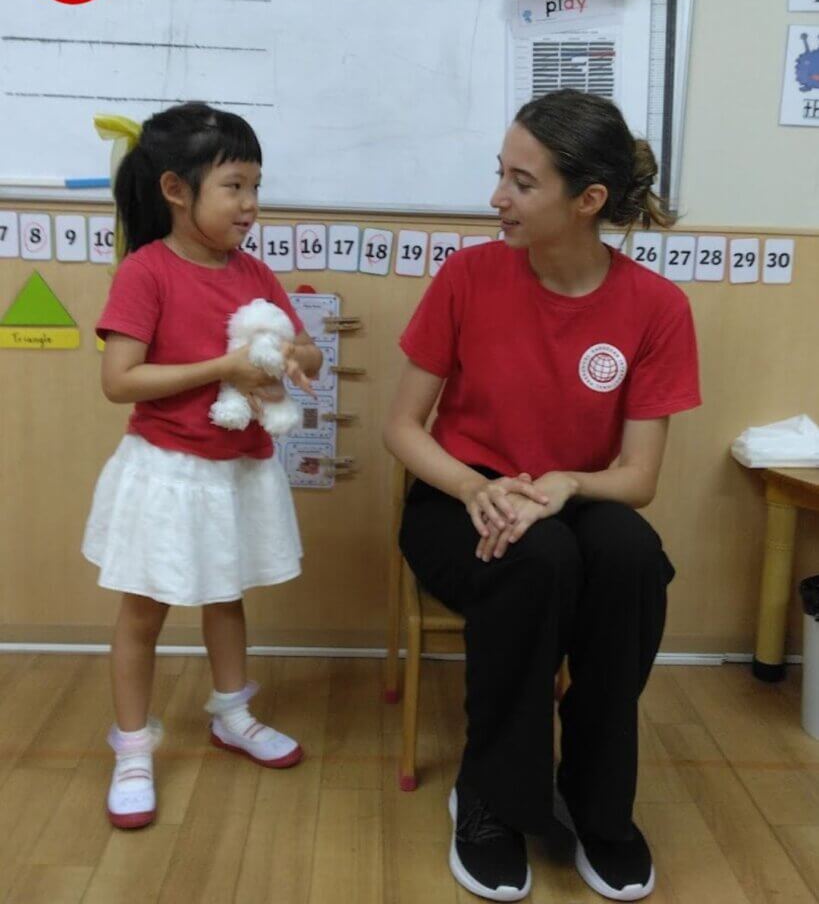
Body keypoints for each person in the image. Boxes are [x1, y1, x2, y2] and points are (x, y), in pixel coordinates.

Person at [384, 89, 700, 902]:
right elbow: (402, 428)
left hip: (574, 501)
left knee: (630, 558)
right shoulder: (467, 276)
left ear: (587, 199)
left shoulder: (656, 308)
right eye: (500, 174)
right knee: (537, 560)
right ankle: (488, 793)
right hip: (457, 502)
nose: (497, 197)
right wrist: (475, 488)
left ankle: (598, 805)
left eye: (521, 183)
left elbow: (637, 479)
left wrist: (565, 484)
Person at [82, 102, 323, 830]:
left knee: (225, 596)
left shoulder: (254, 271)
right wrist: (223, 367)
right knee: (142, 612)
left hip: (237, 468)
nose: (250, 204)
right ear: (176, 190)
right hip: (167, 473)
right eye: (234, 186)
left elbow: (308, 351)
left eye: (256, 186)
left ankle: (231, 715)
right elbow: (120, 381)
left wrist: (294, 356)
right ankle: (132, 749)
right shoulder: (145, 271)